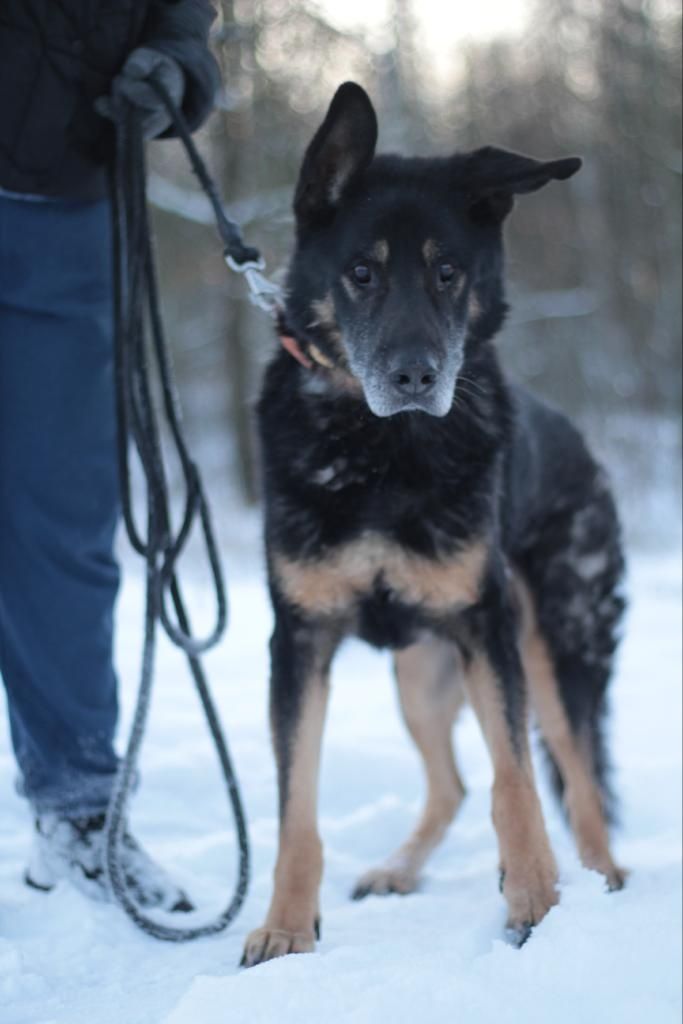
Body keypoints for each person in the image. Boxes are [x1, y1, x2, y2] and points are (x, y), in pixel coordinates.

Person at [0, 1, 220, 912]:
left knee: (64, 524)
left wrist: (176, 72)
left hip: (67, 212)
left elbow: (183, 20)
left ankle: (81, 811)